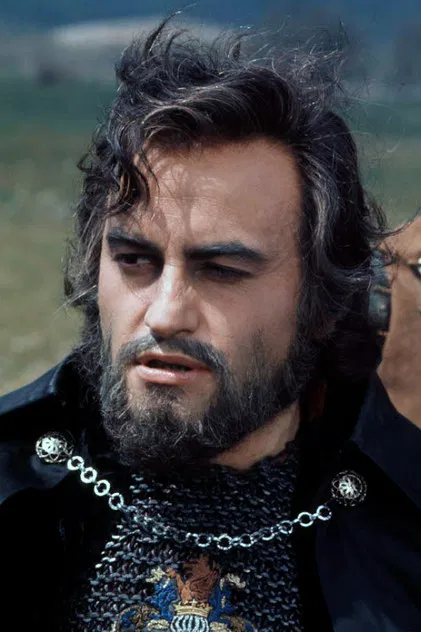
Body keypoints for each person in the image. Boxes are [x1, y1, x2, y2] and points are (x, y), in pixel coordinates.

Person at [1, 21, 421, 632]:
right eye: (134, 260)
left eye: (222, 270)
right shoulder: (12, 486)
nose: (165, 313)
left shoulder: (404, 528)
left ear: (324, 299)